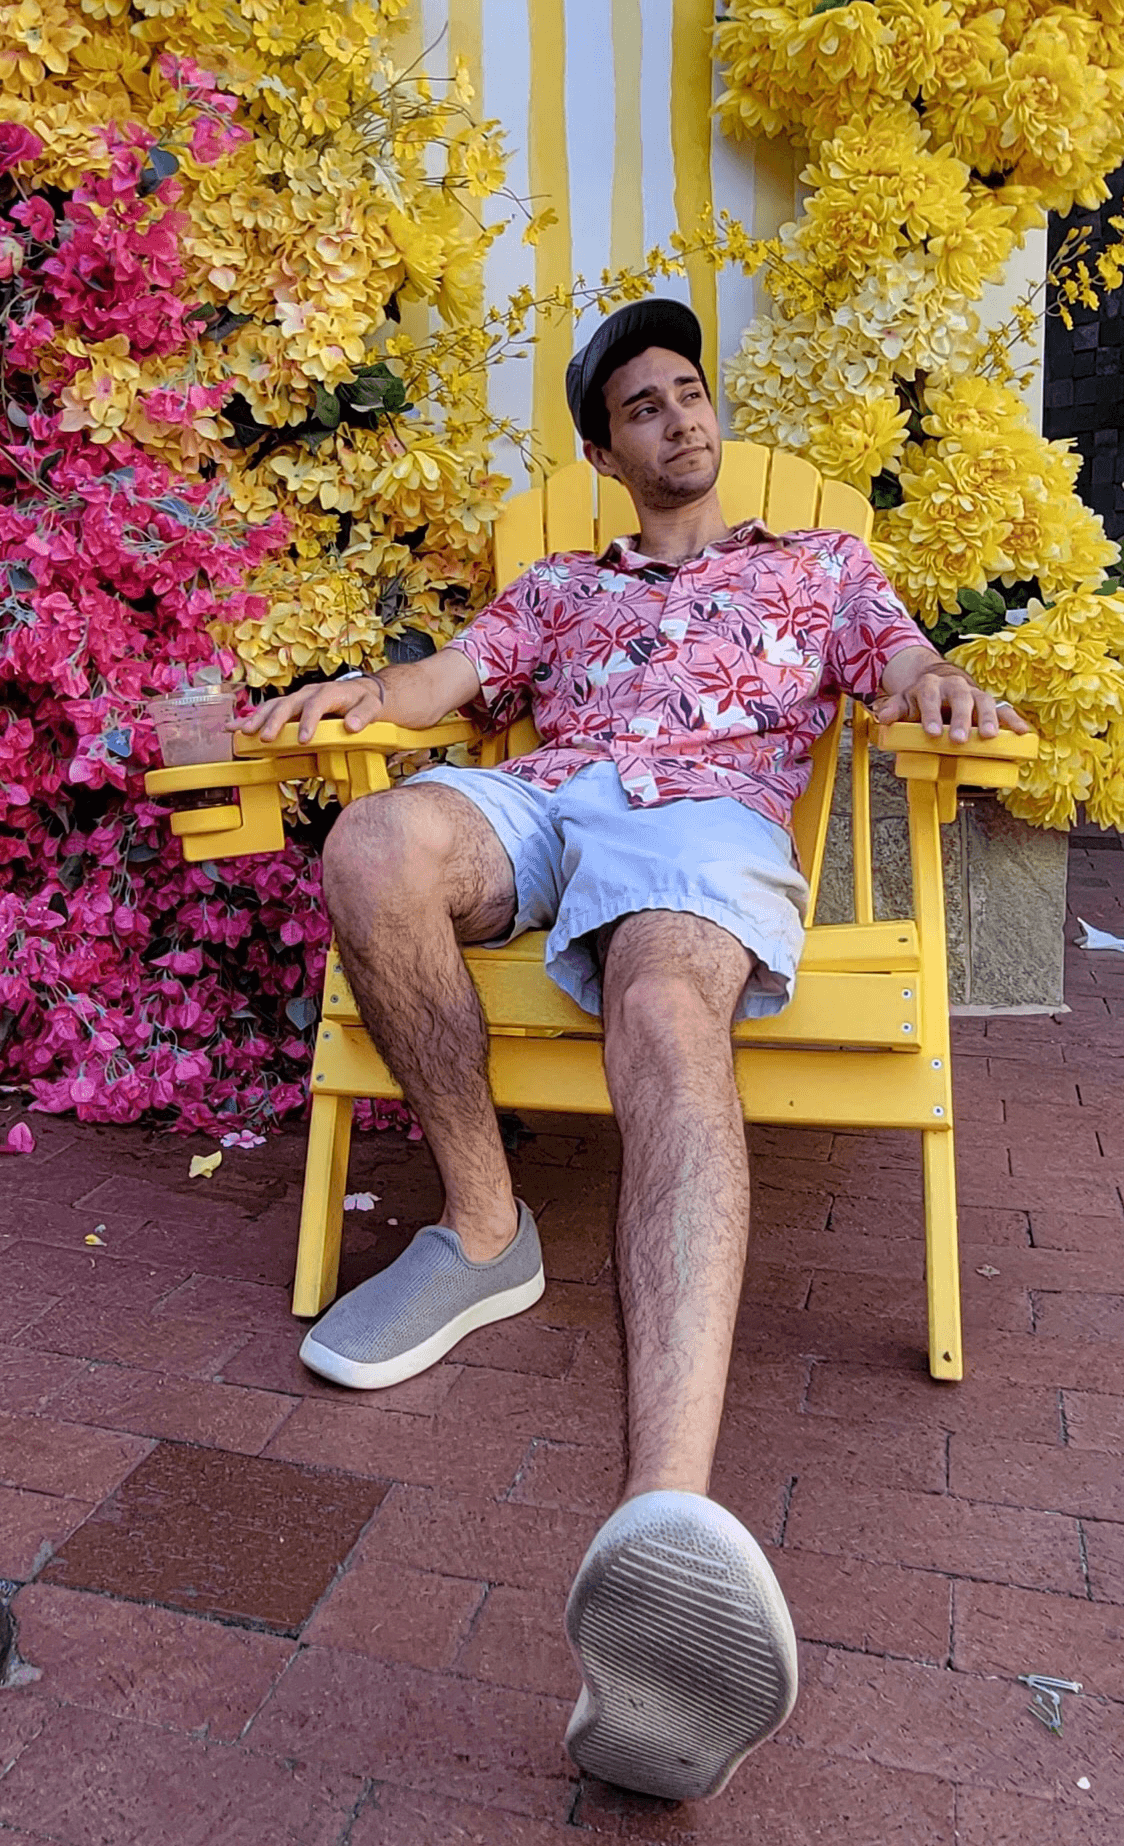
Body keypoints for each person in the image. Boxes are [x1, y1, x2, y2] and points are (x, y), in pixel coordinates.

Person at [236, 299, 1029, 1804]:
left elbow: (908, 662)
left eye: (692, 394)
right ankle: (485, 1227)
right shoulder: (556, 588)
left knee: (667, 1007)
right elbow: (445, 684)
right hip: (550, 795)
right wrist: (364, 696)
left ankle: (662, 1534)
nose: (682, 420)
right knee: (374, 840)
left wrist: (939, 691)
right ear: (606, 453)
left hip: (709, 816)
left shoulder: (819, 567)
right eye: (646, 408)